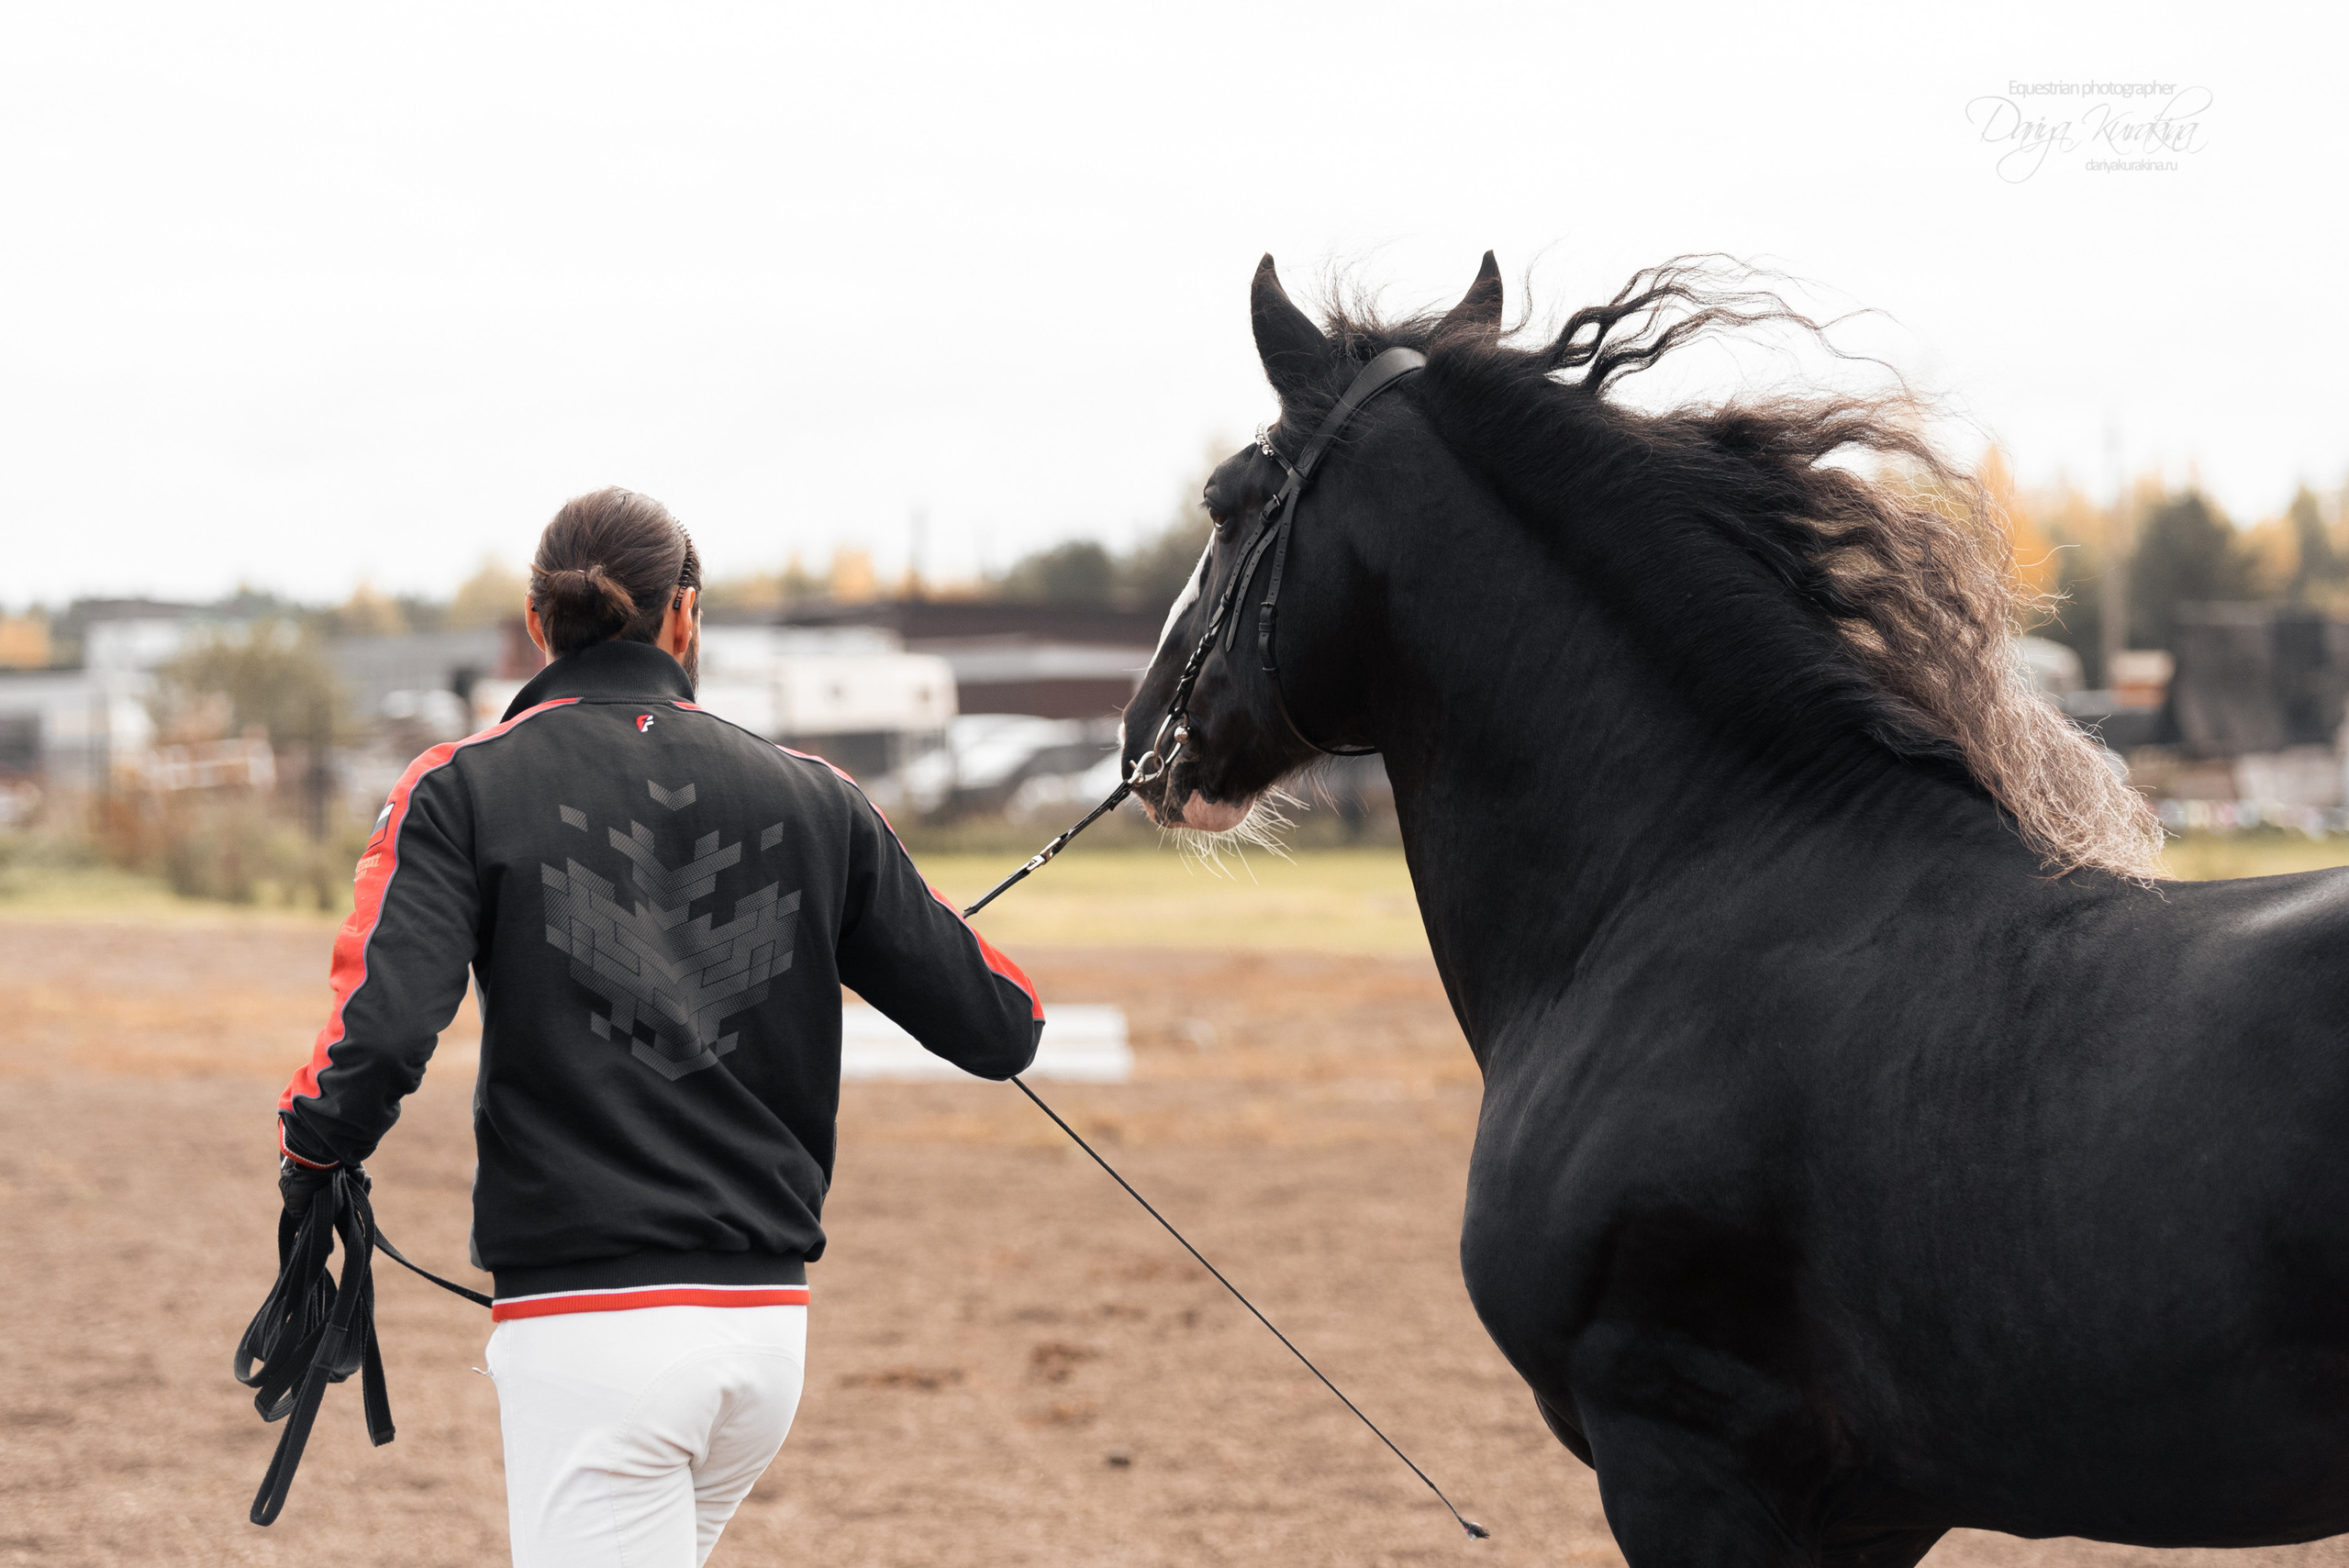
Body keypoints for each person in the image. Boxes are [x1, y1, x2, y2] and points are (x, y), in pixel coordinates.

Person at [273, 486, 1042, 1567]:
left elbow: (385, 1028)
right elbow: (1001, 1023)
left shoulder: (459, 786)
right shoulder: (819, 795)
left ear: (540, 623)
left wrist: (311, 1146)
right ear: (685, 617)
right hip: (765, 1333)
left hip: (592, 1331)